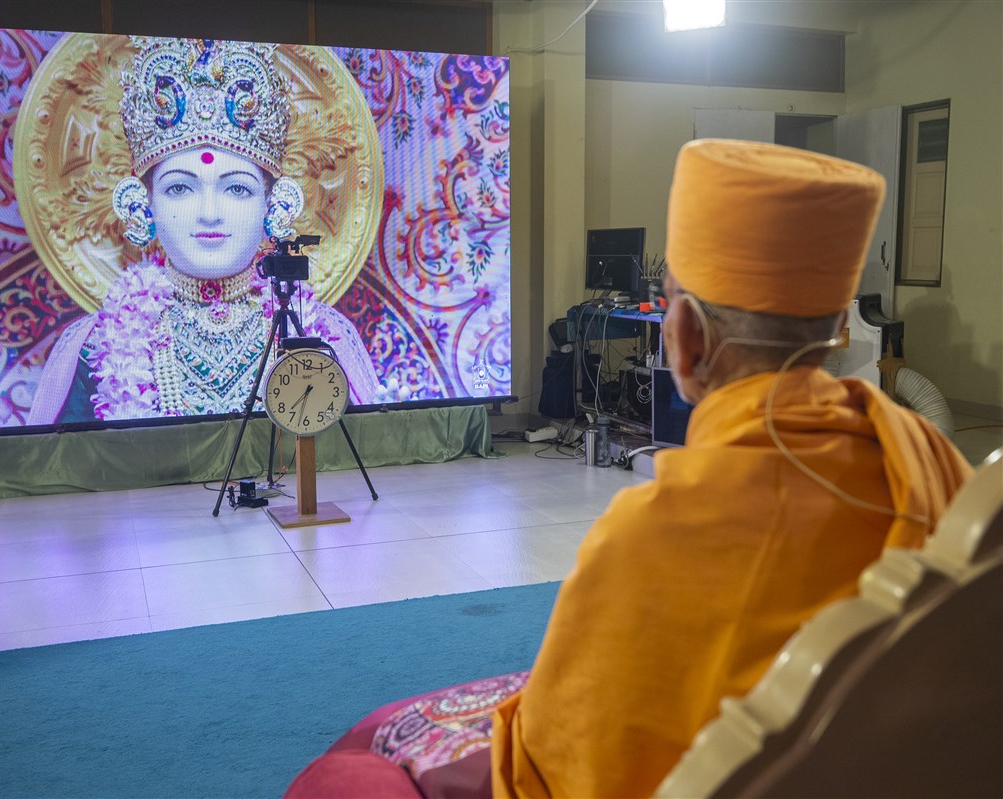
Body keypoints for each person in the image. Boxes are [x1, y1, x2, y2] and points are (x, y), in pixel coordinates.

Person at [283, 139, 973, 798]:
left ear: (687, 335)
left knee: (358, 758)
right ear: (838, 329)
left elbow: (557, 761)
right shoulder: (930, 460)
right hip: (895, 768)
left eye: (668, 299)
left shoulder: (654, 537)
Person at [29, 36, 382, 425]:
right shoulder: (97, 346)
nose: (210, 214)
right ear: (142, 205)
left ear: (274, 205)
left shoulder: (314, 334)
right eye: (180, 188)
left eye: (236, 189)